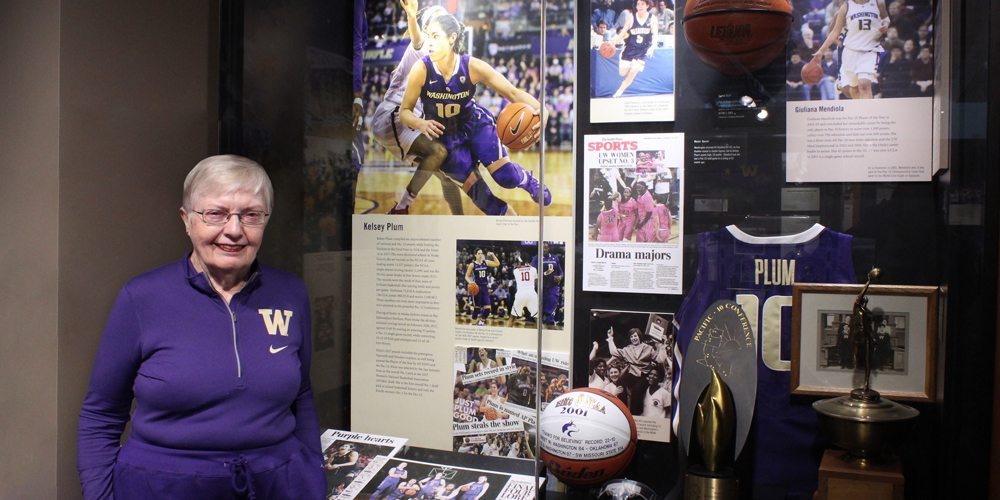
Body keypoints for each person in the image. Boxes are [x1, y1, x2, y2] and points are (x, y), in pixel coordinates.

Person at [77, 155, 326, 499]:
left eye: (251, 215)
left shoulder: (290, 293)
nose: (234, 230)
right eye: (216, 213)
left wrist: (312, 477)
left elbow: (301, 396)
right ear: (187, 220)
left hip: (275, 484)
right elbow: (101, 413)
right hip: (164, 486)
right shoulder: (142, 297)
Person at [399, 13, 552, 213]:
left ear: (452, 38)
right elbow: (404, 112)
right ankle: (513, 232)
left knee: (506, 177)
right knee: (485, 202)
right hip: (447, 141)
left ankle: (526, 179)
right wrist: (420, 123)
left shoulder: (471, 66)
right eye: (428, 36)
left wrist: (542, 108)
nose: (430, 42)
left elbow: (512, 92)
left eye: (436, 36)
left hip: (476, 127)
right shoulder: (421, 69)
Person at [367, 0, 476, 216]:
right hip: (394, 117)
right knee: (438, 151)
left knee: (447, 175)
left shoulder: (441, 60)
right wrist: (411, 16)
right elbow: (416, 39)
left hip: (411, 122)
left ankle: (459, 222)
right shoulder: (425, 43)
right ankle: (401, 208)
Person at [814, 0, 890, 100]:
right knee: (850, 89)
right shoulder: (844, 9)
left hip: (869, 49)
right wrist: (833, 45)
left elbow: (886, 18)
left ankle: (869, 113)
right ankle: (844, 87)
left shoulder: (877, 3)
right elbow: (831, 32)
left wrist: (886, 24)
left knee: (864, 84)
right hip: (848, 49)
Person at [610, 0, 658, 98]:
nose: (640, 6)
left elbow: (655, 35)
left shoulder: (652, 19)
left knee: (634, 70)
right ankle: (623, 60)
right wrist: (612, 42)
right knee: (622, 73)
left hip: (642, 50)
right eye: (638, 4)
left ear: (647, 6)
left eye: (642, 4)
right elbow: (623, 32)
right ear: (636, 6)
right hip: (629, 49)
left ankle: (620, 90)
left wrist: (652, 47)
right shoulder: (631, 17)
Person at [531, 243, 564, 325]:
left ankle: (550, 321)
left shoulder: (555, 258)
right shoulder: (536, 258)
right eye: (542, 248)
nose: (544, 249)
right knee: (540, 308)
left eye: (546, 248)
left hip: (553, 286)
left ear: (549, 248)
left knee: (552, 304)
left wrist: (560, 277)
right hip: (541, 287)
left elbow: (561, 271)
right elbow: (532, 272)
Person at [465, 249, 500, 323]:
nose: (480, 255)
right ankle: (473, 325)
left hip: (484, 288)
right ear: (475, 255)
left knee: (487, 310)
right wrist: (471, 283)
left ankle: (480, 323)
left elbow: (497, 263)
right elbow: (467, 276)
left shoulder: (486, 262)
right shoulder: (472, 264)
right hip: (477, 288)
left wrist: (493, 255)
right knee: (477, 310)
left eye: (481, 253)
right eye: (478, 253)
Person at [509, 256, 539, 323]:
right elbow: (537, 284)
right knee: (537, 319)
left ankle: (506, 333)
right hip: (532, 294)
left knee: (512, 318)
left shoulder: (515, 271)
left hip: (520, 295)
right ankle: (542, 332)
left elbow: (520, 267)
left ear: (520, 261)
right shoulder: (534, 269)